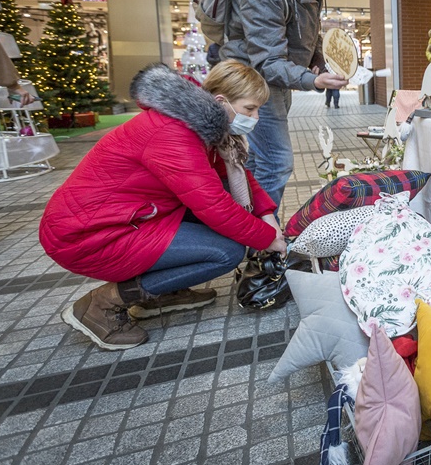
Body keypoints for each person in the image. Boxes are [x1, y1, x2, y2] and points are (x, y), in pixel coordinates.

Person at [39, 61, 285, 350]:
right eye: (249, 109)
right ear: (222, 101)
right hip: (89, 234)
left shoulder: (198, 123)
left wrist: (266, 215)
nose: (254, 117)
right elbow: (214, 205)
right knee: (225, 253)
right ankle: (102, 304)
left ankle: (163, 292)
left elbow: (234, 176)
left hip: (129, 217)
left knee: (223, 226)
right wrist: (268, 239)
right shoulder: (174, 133)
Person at [221, 0, 348, 206]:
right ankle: (263, 236)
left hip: (277, 80)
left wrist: (318, 60)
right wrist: (312, 80)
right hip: (251, 81)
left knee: (256, 159)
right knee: (277, 161)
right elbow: (267, 61)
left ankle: (246, 224)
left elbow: (307, 30)